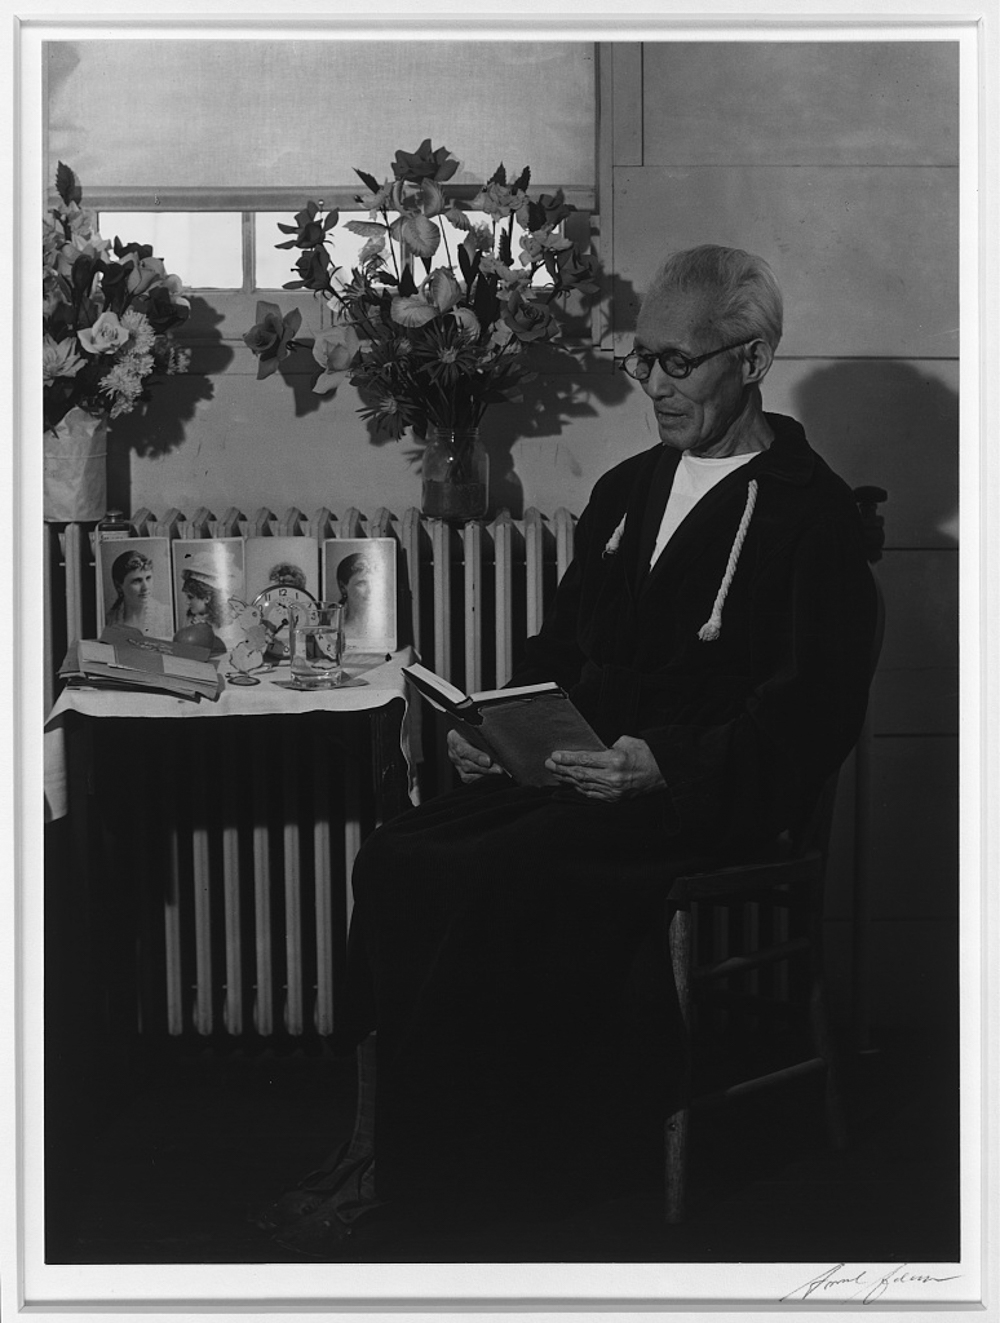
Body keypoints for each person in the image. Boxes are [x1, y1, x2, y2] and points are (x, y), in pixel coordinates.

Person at [261, 245, 878, 1253]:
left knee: (502, 872)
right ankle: (382, 1143)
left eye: (677, 363)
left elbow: (811, 713)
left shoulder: (812, 515)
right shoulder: (630, 490)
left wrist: (668, 765)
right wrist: (490, 729)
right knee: (402, 853)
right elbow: (559, 650)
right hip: (578, 774)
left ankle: (470, 1174)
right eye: (643, 361)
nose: (650, 386)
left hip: (698, 794)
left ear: (752, 358)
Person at [105, 549, 173, 639]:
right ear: (119, 586)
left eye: (148, 578)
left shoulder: (166, 616)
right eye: (137, 581)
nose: (145, 587)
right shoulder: (110, 620)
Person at [335, 552, 379, 641]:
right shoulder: (335, 626)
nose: (370, 591)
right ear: (343, 587)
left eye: (374, 582)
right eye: (362, 583)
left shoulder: (384, 626)